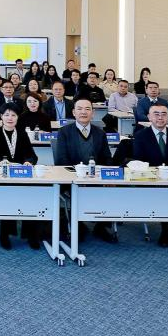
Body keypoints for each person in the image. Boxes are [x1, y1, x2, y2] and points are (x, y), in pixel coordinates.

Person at [52, 98, 117, 244]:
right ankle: (78, 225)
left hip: (96, 178)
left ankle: (101, 226)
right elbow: (61, 160)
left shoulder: (100, 133)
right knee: (76, 190)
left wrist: (106, 176)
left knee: (111, 190)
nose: (83, 112)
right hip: (72, 179)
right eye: (79, 109)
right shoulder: (64, 132)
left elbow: (107, 158)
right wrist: (79, 176)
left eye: (87, 109)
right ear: (73, 112)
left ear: (93, 113)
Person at [131, 102, 168, 248]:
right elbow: (139, 162)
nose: (160, 117)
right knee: (164, 192)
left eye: (164, 114)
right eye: (156, 114)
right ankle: (165, 229)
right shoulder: (140, 136)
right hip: (150, 180)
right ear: (149, 117)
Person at [0, 102, 39, 250]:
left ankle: (30, 234)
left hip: (21, 176)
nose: (10, 118)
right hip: (2, 178)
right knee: (8, 196)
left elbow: (33, 156)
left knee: (31, 196)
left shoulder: (22, 134)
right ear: (1, 117)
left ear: (17, 117)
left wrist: (28, 161)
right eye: (6, 115)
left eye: (13, 115)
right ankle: (5, 235)